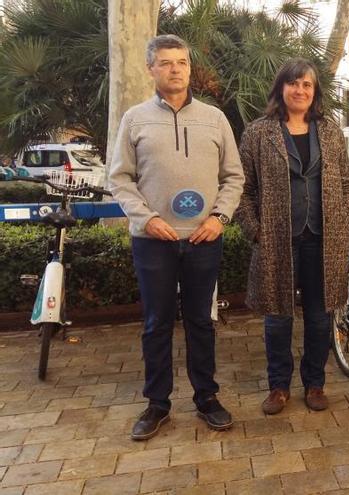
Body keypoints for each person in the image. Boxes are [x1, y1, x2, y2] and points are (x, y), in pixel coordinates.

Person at [109, 34, 244, 440]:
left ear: (189, 68)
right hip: (154, 241)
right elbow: (119, 179)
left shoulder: (215, 119)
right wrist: (146, 219)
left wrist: (219, 218)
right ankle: (157, 403)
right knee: (156, 323)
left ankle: (206, 397)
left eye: (181, 62)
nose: (174, 69)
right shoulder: (134, 119)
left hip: (204, 238)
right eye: (166, 62)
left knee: (202, 321)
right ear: (151, 69)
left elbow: (234, 176)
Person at [235, 58, 349, 414]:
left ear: (314, 91)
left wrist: (345, 219)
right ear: (281, 89)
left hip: (323, 239)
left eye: (307, 84)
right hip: (277, 240)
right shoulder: (259, 133)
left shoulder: (331, 130)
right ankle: (278, 387)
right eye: (293, 84)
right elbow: (243, 188)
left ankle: (315, 383)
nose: (300, 90)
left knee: (320, 317)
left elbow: (347, 183)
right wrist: (254, 230)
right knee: (278, 317)